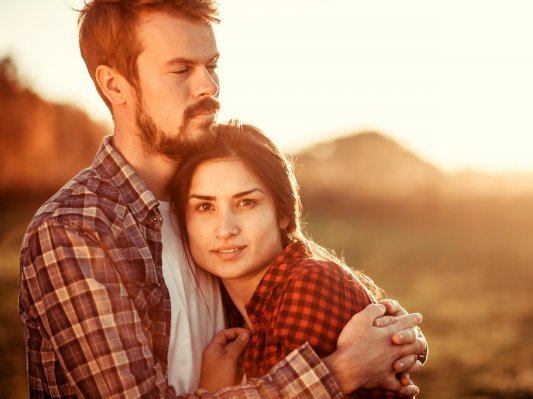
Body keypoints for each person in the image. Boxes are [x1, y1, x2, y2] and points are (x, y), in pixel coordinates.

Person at [18, 0, 427, 397]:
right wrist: (342, 370)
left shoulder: (202, 199)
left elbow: (294, 280)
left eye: (211, 66)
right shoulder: (76, 229)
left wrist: (391, 330)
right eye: (180, 69)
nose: (208, 87)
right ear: (115, 85)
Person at [170, 121, 424, 397]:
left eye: (246, 203)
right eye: (204, 207)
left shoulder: (309, 283)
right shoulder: (232, 311)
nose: (225, 229)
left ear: (284, 213)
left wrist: (212, 391)